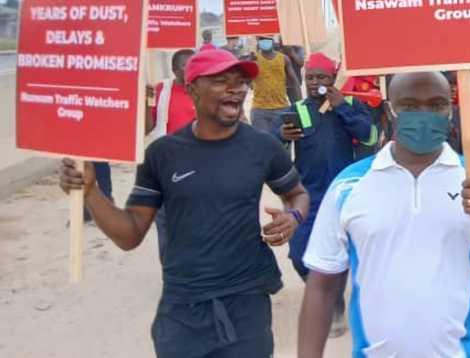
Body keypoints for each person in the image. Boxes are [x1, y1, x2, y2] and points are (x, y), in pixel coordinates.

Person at [59, 48, 310, 358]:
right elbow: (130, 234)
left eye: (241, 81)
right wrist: (91, 193)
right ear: (192, 90)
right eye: (220, 81)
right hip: (182, 306)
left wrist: (293, 217)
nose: (236, 88)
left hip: (247, 300)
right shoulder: (162, 154)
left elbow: (298, 194)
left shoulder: (262, 146)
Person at [297, 71, 470, 357]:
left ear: (451, 110)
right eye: (409, 105)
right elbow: (321, 286)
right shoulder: (349, 185)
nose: (424, 115)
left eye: (436, 105)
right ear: (389, 110)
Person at [277, 52, 375, 337]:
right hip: (308, 196)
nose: (314, 82)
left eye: (321, 77)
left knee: (343, 253)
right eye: (310, 78)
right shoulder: (297, 109)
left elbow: (369, 135)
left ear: (333, 79)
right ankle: (325, 293)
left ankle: (336, 305)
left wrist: (341, 106)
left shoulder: (351, 104)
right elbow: (273, 149)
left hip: (344, 195)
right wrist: (282, 136)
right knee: (299, 254)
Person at [144, 48, 196, 260]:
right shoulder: (161, 91)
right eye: (186, 65)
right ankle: (170, 269)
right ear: (174, 70)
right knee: (165, 224)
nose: (192, 69)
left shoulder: (204, 89)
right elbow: (146, 128)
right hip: (167, 169)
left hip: (200, 169)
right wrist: (147, 102)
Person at [249, 36, 299, 134]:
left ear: (273, 40)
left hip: (282, 109)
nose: (265, 41)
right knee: (264, 141)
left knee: (283, 141)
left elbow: (295, 82)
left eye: (267, 39)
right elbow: (246, 83)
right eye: (261, 39)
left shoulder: (283, 59)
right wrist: (250, 64)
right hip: (260, 110)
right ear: (258, 41)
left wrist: (299, 105)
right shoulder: (254, 59)